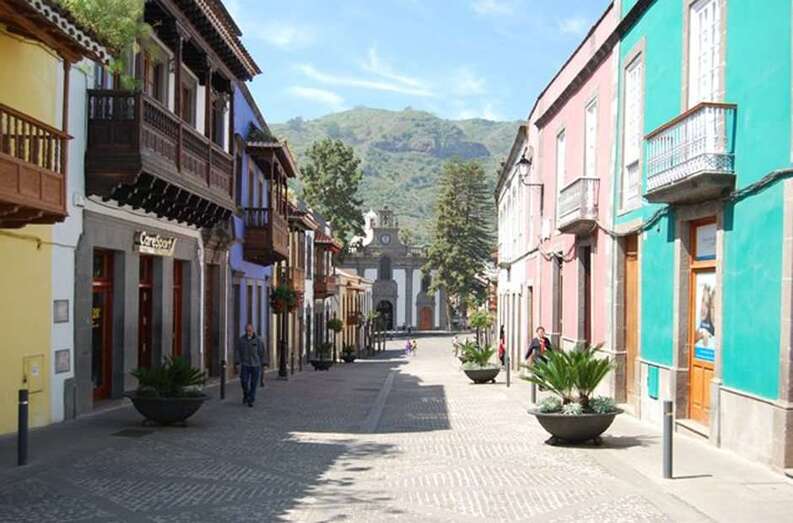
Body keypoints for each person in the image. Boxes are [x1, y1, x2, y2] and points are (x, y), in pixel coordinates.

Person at [234, 323, 266, 407]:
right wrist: (237, 362)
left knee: (253, 383)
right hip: (245, 364)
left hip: (255, 365)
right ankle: (246, 394)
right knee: (244, 381)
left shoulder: (258, 340)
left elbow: (262, 352)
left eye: (250, 331)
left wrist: (264, 364)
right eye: (247, 331)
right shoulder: (241, 340)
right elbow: (238, 352)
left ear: (253, 330)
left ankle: (251, 399)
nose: (248, 332)